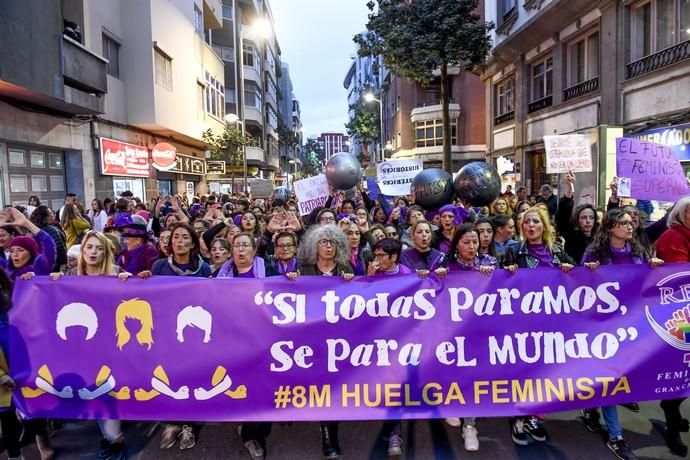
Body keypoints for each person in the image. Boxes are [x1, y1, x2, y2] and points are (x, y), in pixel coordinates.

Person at [580, 208, 663, 460]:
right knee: (609, 378)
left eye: (631, 223)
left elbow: (646, 285)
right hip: (602, 327)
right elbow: (578, 286)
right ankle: (616, 436)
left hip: (630, 325)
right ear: (610, 227)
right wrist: (588, 271)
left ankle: (590, 408)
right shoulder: (595, 253)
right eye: (624, 223)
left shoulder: (638, 252)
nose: (630, 227)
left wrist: (654, 268)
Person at [50, 232, 127, 458]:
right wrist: (43, 282)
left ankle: (115, 440)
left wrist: (137, 278)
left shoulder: (117, 274)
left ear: (105, 252)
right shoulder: (69, 276)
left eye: (98, 248)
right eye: (89, 247)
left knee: (106, 394)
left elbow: (137, 296)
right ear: (82, 251)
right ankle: (109, 437)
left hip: (109, 348)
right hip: (80, 351)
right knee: (89, 393)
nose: (93, 252)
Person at [503, 206, 575, 446]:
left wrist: (571, 269)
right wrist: (507, 272)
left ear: (544, 226)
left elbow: (581, 277)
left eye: (535, 221)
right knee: (523, 371)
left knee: (545, 371)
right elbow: (498, 285)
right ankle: (519, 417)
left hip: (551, 324)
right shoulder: (514, 251)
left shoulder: (557, 251)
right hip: (522, 323)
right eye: (526, 222)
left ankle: (536, 416)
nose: (530, 226)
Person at [149, 223, 211, 450]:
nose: (180, 241)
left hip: (193, 334)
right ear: (169, 242)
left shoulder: (204, 269)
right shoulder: (158, 266)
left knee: (192, 378)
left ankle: (189, 424)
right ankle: (171, 421)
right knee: (170, 376)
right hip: (167, 332)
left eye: (186, 237)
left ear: (193, 243)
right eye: (176, 237)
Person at [297, 225, 354, 459]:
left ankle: (329, 433)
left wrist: (352, 281)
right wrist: (290, 281)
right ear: (314, 246)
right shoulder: (304, 270)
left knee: (333, 387)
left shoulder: (346, 269)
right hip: (311, 338)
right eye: (323, 242)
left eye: (332, 242)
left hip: (339, 339)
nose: (328, 246)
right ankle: (324, 430)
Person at [655, 196, 690, 456]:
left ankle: (674, 410)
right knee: (678, 370)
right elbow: (679, 275)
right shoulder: (672, 237)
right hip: (679, 316)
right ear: (679, 215)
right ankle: (672, 420)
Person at [0, 208, 57, 281]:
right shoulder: (7, 269)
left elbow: (48, 242)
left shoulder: (40, 267)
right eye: (11, 251)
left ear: (31, 253)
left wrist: (26, 223)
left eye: (20, 250)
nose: (15, 254)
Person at [555, 172, 599, 264]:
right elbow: (563, 217)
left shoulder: (600, 237)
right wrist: (569, 191)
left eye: (591, 218)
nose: (588, 221)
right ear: (577, 220)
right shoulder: (572, 235)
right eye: (583, 217)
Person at [29, 206, 67, 272]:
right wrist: (64, 263)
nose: (52, 214)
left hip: (38, 264)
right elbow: (60, 248)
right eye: (50, 213)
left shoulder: (33, 230)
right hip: (54, 264)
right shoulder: (51, 229)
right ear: (45, 217)